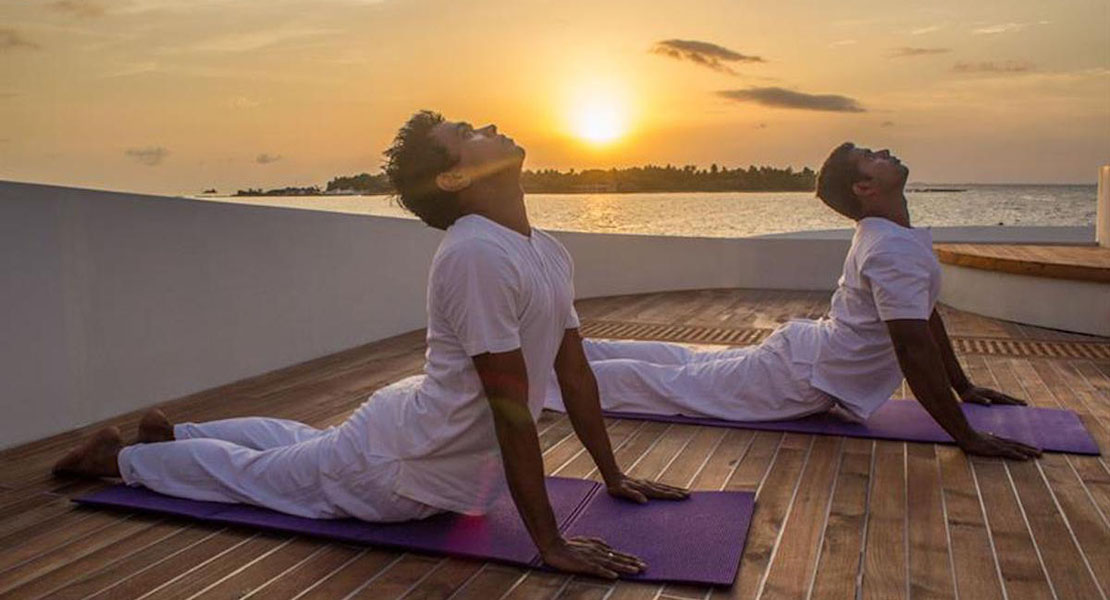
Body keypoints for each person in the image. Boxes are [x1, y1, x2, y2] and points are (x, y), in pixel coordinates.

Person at [53, 110, 688, 579]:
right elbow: (510, 406)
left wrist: (612, 474)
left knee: (305, 447)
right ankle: (120, 463)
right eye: (466, 133)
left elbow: (572, 372)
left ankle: (182, 434)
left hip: (411, 438)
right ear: (454, 177)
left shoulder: (541, 248)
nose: (487, 124)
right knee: (261, 475)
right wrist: (549, 542)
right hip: (399, 473)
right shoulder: (475, 253)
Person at [545, 142, 1041, 461]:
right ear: (865, 188)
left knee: (684, 363)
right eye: (873, 155)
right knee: (670, 381)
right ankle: (539, 374)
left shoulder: (890, 237)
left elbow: (923, 315)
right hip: (798, 378)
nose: (885, 150)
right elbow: (913, 349)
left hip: (803, 360)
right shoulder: (891, 246)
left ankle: (551, 357)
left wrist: (964, 386)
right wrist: (966, 436)